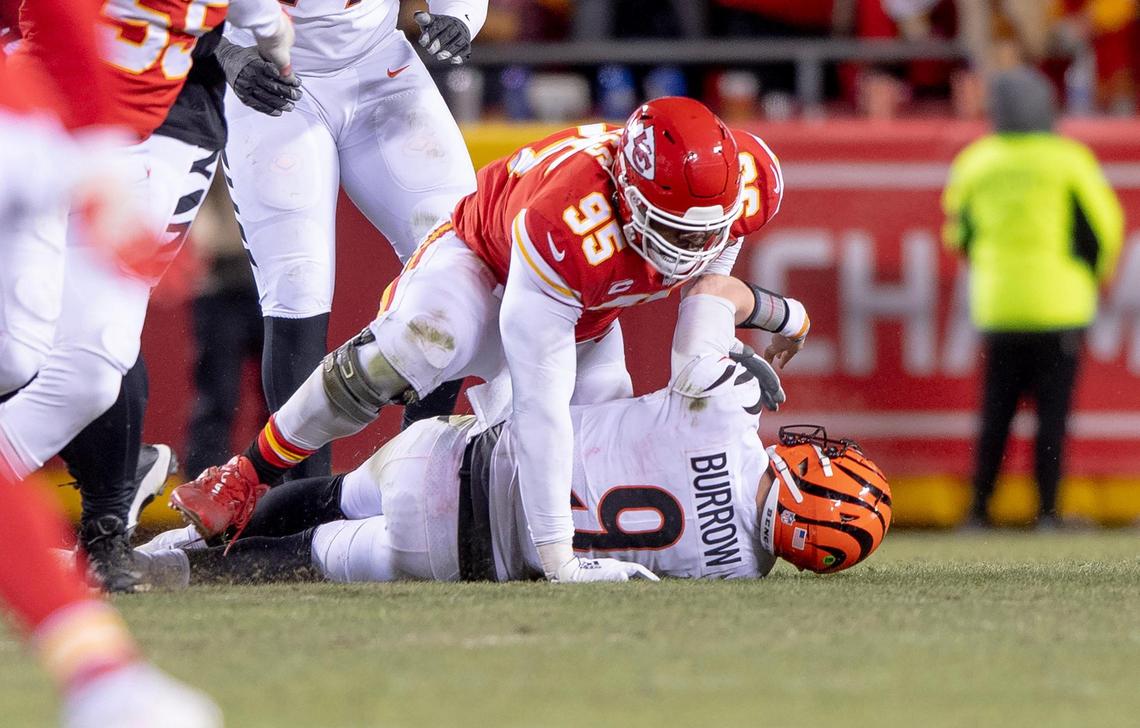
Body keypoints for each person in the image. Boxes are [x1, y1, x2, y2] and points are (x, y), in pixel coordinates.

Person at [170, 99, 801, 586]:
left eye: (710, 232)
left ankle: (215, 547)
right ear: (628, 193)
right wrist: (561, 562)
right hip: (487, 268)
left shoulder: (747, 184)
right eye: (672, 231)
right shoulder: (571, 224)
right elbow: (540, 407)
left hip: (583, 313)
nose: (690, 250)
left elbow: (714, 271)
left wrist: (785, 315)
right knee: (418, 347)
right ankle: (245, 473)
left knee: (596, 447)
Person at [141, 291, 890, 586]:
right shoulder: (736, 576)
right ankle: (155, 577)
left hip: (460, 456)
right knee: (299, 561)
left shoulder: (729, 414)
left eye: (824, 464)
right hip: (465, 558)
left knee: (323, 499)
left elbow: (709, 293)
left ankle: (146, 552)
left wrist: (783, 314)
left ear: (803, 487)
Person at [0, 0, 295, 592]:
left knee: (91, 365)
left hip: (156, 127)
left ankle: (108, 521)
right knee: (16, 353)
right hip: (34, 108)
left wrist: (263, 41)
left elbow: (265, 24)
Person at [0, 3, 220, 724]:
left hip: (103, 118)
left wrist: (93, 157)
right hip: (47, 104)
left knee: (51, 361)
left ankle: (99, 672)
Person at [217, 1, 488, 478]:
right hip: (271, 76)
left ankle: (418, 476)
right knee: (296, 288)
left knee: (456, 257)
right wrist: (225, 52)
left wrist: (459, 16)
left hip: (380, 63)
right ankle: (305, 515)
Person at [943, 66, 1124, 528]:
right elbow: (1104, 229)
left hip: (999, 305)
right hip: (1060, 305)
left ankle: (978, 511)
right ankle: (1048, 512)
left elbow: (958, 233)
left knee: (995, 413)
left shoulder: (977, 161)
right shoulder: (1068, 159)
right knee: (1053, 418)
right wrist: (1090, 277)